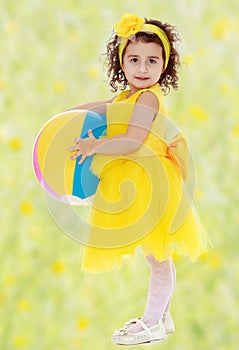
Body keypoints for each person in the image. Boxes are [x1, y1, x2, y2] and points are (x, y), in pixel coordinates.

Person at [68, 13, 210, 346]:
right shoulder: (126, 97)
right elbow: (100, 107)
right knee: (155, 254)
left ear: (164, 66)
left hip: (150, 180)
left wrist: (93, 146)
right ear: (122, 63)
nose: (142, 68)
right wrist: (67, 118)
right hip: (138, 179)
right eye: (134, 59)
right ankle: (161, 316)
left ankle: (152, 323)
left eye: (151, 60)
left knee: (158, 256)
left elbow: (132, 141)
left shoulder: (148, 97)